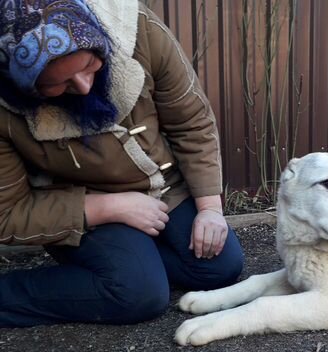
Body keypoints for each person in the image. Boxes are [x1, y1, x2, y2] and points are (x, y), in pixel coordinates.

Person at [0, 0, 244, 327]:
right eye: (58, 84)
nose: (84, 87)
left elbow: (192, 123)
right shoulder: (5, 108)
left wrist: (210, 208)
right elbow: (8, 214)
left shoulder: (139, 30)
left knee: (221, 266)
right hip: (82, 202)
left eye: (88, 65)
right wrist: (111, 207)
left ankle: (128, 265)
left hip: (162, 186)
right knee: (138, 293)